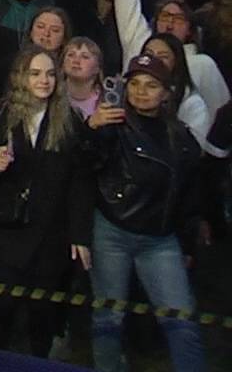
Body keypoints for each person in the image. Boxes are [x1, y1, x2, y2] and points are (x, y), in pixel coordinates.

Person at [82, 53, 206, 372]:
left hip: (160, 241)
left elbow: (189, 199)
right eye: (135, 83)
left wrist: (188, 246)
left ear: (166, 92)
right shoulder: (113, 125)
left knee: (181, 321)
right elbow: (84, 165)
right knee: (108, 319)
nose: (140, 91)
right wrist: (91, 129)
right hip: (112, 232)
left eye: (151, 85)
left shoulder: (182, 138)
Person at [0, 44, 94, 358]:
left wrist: (80, 236)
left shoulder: (69, 119)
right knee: (3, 310)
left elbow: (79, 183)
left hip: (51, 233)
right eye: (35, 73)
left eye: (50, 74)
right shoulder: (2, 114)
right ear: (21, 77)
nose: (44, 80)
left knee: (43, 314)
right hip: (10, 228)